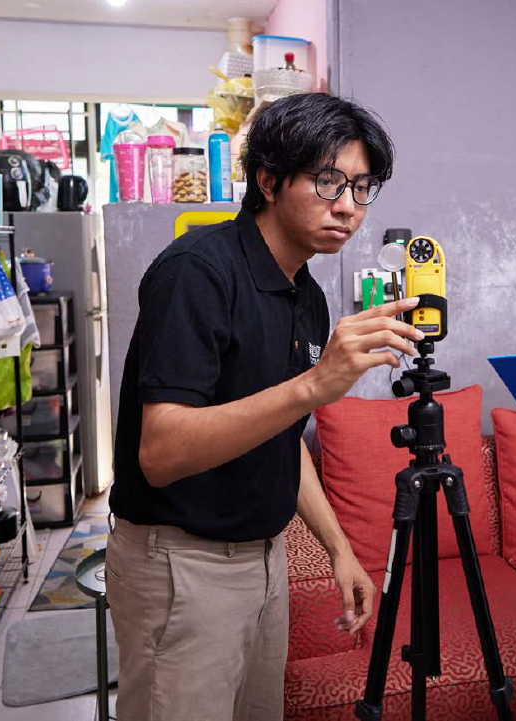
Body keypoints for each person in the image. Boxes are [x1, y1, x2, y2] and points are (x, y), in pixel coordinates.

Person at [105, 93, 425, 721]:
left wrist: (337, 548)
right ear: (269, 180)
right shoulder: (197, 271)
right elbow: (161, 453)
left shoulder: (306, 295)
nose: (347, 206)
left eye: (362, 188)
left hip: (263, 559)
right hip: (181, 562)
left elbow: (281, 437)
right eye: (328, 181)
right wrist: (315, 385)